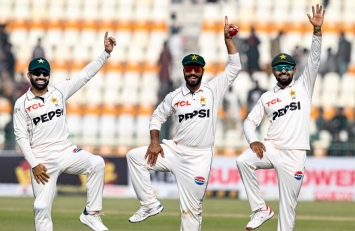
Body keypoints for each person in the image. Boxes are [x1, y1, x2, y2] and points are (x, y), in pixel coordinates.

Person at [126, 16, 241, 231]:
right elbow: (156, 117)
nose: (193, 72)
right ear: (183, 71)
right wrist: (154, 142)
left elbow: (234, 67)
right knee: (134, 157)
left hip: (200, 157)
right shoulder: (174, 96)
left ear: (203, 71)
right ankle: (149, 204)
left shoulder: (213, 89)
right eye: (189, 69)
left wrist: (228, 40)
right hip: (175, 151)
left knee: (191, 211)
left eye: (197, 68)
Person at [13, 32, 116, 231]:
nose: (41, 77)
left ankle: (91, 214)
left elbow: (85, 75)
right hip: (41, 159)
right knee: (41, 207)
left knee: (97, 163)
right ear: (29, 76)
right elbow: (21, 137)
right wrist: (34, 164)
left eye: (44, 73)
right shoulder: (21, 104)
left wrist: (105, 53)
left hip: (65, 150)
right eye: (37, 73)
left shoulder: (59, 91)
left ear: (49, 75)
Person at [236, 5, 324, 231]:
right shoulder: (267, 97)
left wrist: (316, 33)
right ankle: (260, 209)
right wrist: (253, 140)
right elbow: (248, 122)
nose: (283, 71)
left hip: (295, 155)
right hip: (271, 147)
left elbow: (314, 61)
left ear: (294, 71)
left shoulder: (304, 86)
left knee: (288, 209)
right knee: (243, 161)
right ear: (273, 71)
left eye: (287, 67)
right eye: (279, 67)